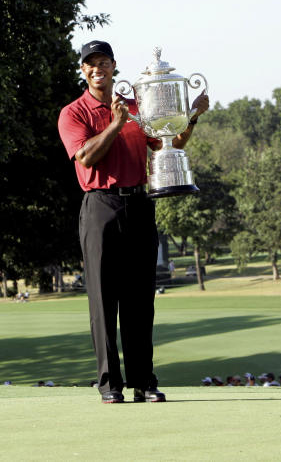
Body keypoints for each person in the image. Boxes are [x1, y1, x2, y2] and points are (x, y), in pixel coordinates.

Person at [58, 40, 209, 404]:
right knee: (103, 299)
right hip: (100, 207)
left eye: (104, 62)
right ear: (83, 70)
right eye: (91, 64)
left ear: (114, 66)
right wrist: (115, 124)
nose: (98, 69)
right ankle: (110, 385)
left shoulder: (135, 106)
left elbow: (165, 144)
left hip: (140, 203)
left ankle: (144, 380)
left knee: (141, 299)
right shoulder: (73, 112)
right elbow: (85, 158)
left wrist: (191, 115)